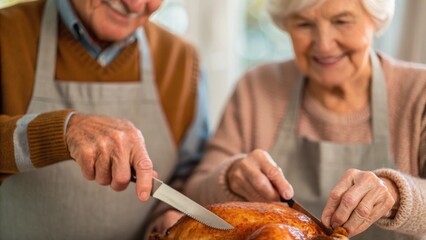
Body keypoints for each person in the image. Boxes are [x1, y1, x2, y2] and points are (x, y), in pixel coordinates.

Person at [184, 0, 426, 239]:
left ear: (375, 19)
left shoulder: (419, 91)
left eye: (342, 21)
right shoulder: (256, 87)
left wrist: (395, 193)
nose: (324, 44)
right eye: (303, 24)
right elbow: (192, 196)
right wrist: (230, 178)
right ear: (285, 25)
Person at [0, 0, 210, 239]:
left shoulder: (182, 60)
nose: (135, 4)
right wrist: (61, 131)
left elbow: (188, 175)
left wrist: (169, 217)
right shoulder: (6, 33)